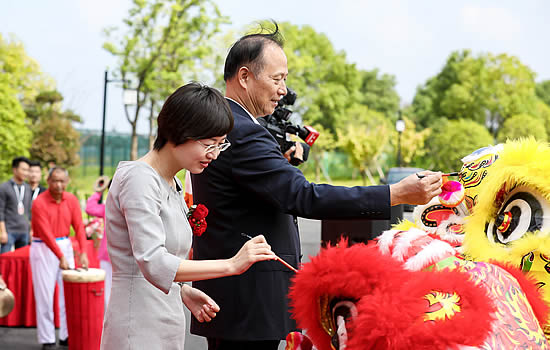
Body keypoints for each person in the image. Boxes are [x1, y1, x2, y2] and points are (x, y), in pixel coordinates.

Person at [190, 24, 443, 350]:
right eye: (277, 78)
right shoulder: (244, 132)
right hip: (250, 298)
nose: (283, 90)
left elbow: (260, 188)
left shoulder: (227, 123)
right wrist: (395, 194)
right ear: (244, 77)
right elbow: (304, 196)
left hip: (237, 297)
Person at [100, 82, 277, 350]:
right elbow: (153, 260)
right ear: (178, 133)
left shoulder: (172, 182)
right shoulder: (138, 178)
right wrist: (231, 264)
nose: (215, 155)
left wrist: (182, 290)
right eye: (209, 144)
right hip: (136, 323)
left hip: (165, 317)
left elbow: (165, 262)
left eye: (220, 145)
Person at [30, 167, 89, 349]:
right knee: (45, 296)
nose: (59, 184)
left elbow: (79, 226)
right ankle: (47, 338)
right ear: (48, 181)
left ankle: (66, 335)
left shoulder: (70, 200)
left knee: (68, 294)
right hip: (43, 247)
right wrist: (60, 255)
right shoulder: (39, 202)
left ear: (67, 181)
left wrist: (83, 251)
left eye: (62, 181)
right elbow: (46, 233)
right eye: (55, 180)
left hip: (64, 244)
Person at [85, 175, 111, 310]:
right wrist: (98, 191)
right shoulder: (107, 208)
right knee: (107, 292)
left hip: (125, 257)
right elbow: (89, 208)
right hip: (108, 257)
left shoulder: (132, 207)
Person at [0, 156, 32, 253]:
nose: (26, 173)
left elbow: (29, 211)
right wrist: (2, 232)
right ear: (15, 169)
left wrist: (31, 231)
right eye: (23, 169)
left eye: (27, 170)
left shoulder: (27, 188)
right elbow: (0, 211)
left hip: (24, 231)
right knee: (4, 261)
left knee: (22, 263)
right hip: (9, 231)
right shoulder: (4, 187)